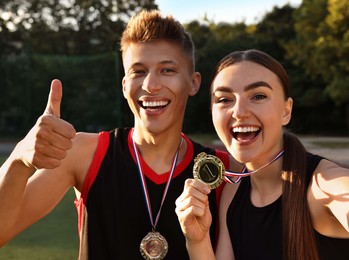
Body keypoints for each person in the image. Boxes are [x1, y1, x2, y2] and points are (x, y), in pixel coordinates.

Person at [0, 10, 240, 260]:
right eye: (138, 71)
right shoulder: (84, 154)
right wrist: (18, 158)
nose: (150, 85)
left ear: (193, 82)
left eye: (167, 70)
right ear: (125, 85)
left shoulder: (222, 170)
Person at [175, 49, 349, 260]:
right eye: (224, 99)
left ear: (286, 111)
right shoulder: (231, 192)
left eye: (258, 96)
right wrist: (197, 240)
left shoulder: (324, 184)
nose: (239, 112)